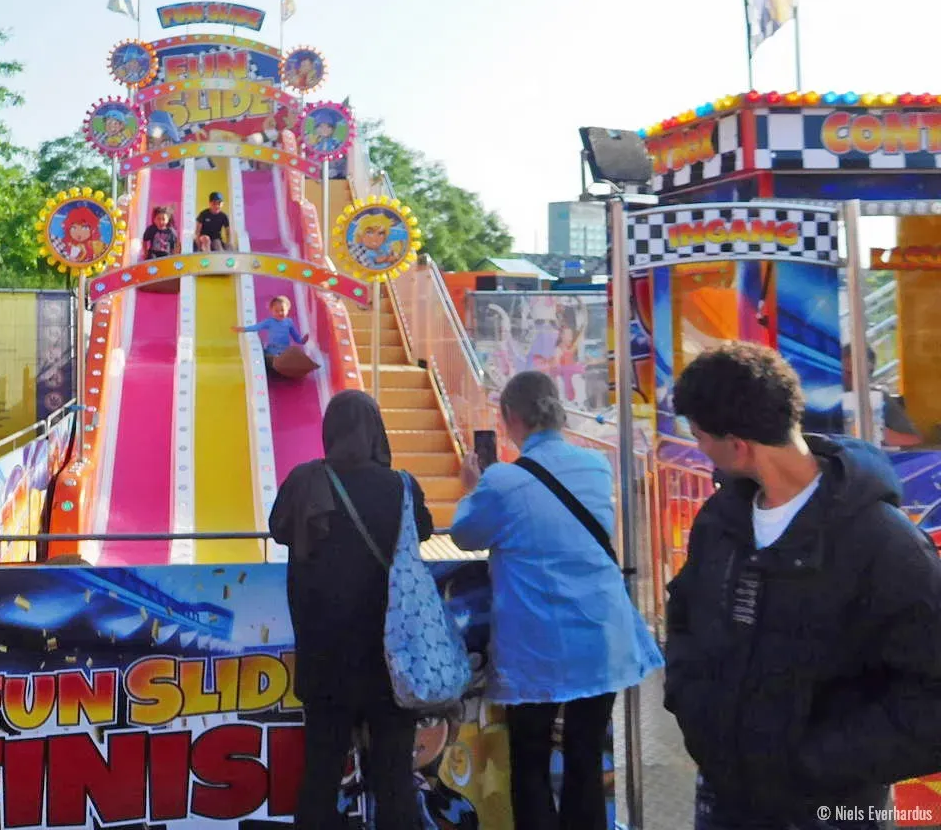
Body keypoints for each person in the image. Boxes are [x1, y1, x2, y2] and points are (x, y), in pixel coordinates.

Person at [666, 342, 941, 829]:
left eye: (700, 436)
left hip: (833, 808)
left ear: (738, 444)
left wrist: (814, 760)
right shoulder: (721, 520)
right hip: (725, 795)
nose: (698, 449)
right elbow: (686, 614)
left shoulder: (885, 544)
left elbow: (929, 692)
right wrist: (696, 712)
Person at [452, 370, 663, 830]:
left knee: (529, 761)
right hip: (601, 637)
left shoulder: (502, 482)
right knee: (584, 758)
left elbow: (467, 534)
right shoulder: (595, 467)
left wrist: (472, 486)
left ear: (510, 417)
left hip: (538, 647)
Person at [269, 390, 434, 830]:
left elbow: (277, 528)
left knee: (321, 775)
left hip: (325, 661)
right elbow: (427, 530)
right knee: (395, 778)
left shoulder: (304, 482)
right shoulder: (401, 486)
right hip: (391, 661)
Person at [840, 344, 922, 448]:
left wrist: (878, 433)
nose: (851, 378)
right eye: (846, 372)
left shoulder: (879, 399)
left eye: (861, 373)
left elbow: (914, 439)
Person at [232, 296, 308, 375]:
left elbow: (295, 336)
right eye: (276, 311)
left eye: (282, 310)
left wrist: (302, 341)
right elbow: (256, 327)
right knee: (270, 357)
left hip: (285, 351)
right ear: (271, 311)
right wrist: (243, 329)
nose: (280, 313)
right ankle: (273, 364)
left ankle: (286, 366)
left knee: (293, 355)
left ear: (288, 310)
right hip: (273, 349)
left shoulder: (289, 322)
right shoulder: (269, 322)